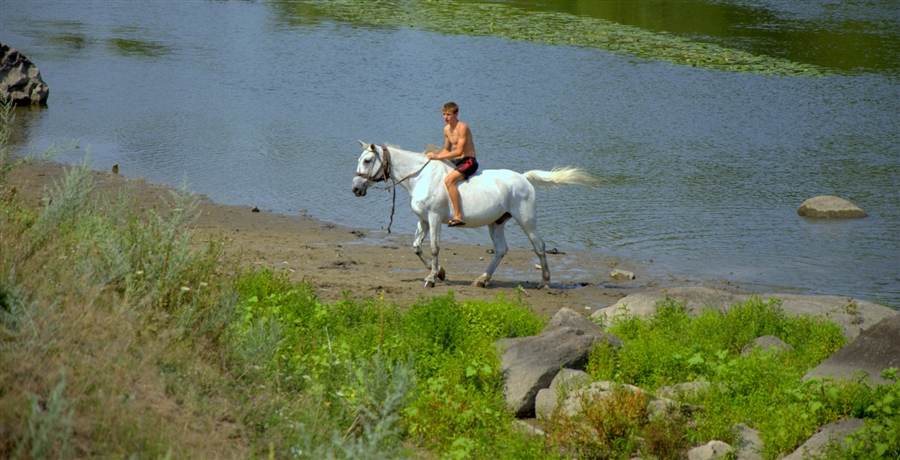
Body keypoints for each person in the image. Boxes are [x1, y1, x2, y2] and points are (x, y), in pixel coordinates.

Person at [426, 102, 478, 227]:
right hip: (456, 161)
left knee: (449, 180)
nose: (446, 117)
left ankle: (458, 216)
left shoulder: (462, 127)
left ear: (456, 114)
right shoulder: (446, 129)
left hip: (468, 161)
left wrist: (438, 156)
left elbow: (459, 151)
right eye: (444, 114)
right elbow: (446, 150)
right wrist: (433, 159)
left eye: (449, 114)